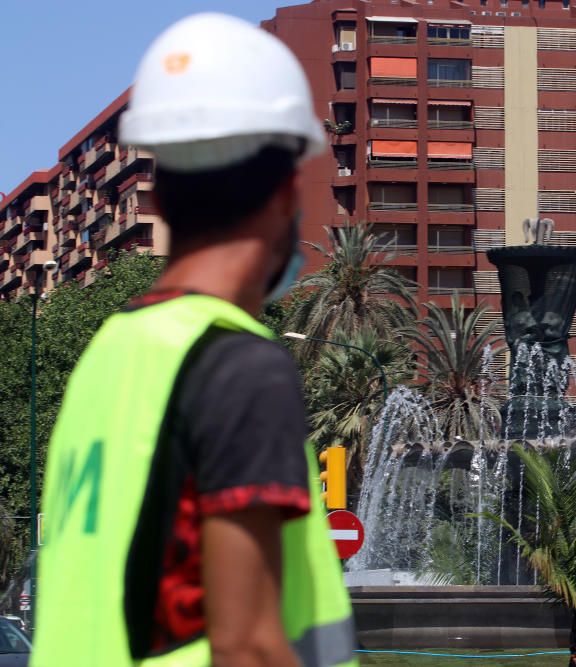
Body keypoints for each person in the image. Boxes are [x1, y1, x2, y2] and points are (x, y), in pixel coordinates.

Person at [32, 13, 357, 667]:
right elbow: (249, 646)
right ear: (287, 191)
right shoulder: (240, 367)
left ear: (163, 194)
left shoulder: (105, 356)